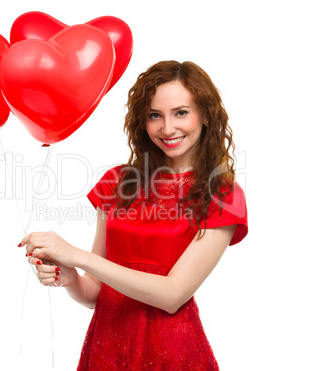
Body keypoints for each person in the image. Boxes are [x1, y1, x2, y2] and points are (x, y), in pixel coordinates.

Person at [20, 60, 248, 370]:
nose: (167, 128)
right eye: (155, 115)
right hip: (108, 346)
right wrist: (69, 277)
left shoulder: (222, 195)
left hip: (171, 352)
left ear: (205, 114)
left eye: (181, 112)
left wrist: (76, 256)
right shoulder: (117, 183)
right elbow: (97, 293)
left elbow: (172, 295)